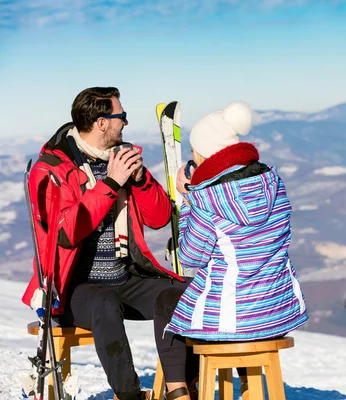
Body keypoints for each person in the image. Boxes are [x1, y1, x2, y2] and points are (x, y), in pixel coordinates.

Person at [21, 87, 196, 400]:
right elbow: (66, 232)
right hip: (72, 288)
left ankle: (180, 389)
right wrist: (111, 183)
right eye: (121, 117)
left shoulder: (122, 158)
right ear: (102, 123)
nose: (125, 124)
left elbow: (158, 218)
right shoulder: (51, 170)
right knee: (104, 301)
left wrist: (140, 180)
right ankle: (128, 395)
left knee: (183, 293)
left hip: (124, 278)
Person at [152, 101, 309, 400]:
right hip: (277, 313)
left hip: (233, 321)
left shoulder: (208, 200)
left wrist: (189, 201)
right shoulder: (273, 183)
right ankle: (246, 389)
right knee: (224, 303)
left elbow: (188, 258)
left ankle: (179, 392)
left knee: (166, 300)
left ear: (202, 153)